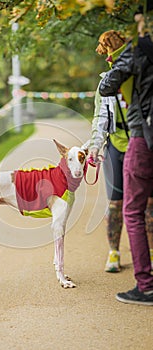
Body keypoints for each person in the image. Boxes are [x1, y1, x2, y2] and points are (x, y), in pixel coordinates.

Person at [99, 5, 153, 305]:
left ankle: (145, 286)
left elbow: (107, 86)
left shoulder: (139, 50)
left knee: (132, 211)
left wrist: (121, 62)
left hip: (142, 139)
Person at [87, 30, 153, 273]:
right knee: (115, 203)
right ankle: (113, 251)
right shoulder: (107, 82)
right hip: (116, 146)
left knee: (148, 204)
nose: (108, 59)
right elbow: (100, 118)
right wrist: (95, 145)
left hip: (142, 143)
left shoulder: (141, 76)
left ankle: (151, 253)